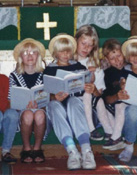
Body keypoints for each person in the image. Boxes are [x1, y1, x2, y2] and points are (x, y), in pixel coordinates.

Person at [44, 33, 96, 171]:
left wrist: (90, 87)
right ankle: (72, 151)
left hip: (76, 106)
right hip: (58, 107)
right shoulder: (49, 70)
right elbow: (44, 94)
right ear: (55, 53)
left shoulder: (78, 66)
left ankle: (86, 150)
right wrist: (54, 97)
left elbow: (88, 86)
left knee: (73, 101)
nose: (65, 54)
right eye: (62, 51)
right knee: (53, 105)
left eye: (68, 51)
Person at [74, 25, 115, 143]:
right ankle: (91, 129)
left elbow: (99, 94)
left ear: (94, 47)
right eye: (83, 43)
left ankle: (111, 132)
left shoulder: (94, 65)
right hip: (73, 103)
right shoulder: (68, 61)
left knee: (97, 100)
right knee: (87, 96)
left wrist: (94, 89)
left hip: (91, 105)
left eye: (90, 45)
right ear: (76, 41)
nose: (86, 48)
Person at [9, 38, 47, 164]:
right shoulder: (14, 75)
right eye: (25, 53)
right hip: (22, 110)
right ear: (20, 57)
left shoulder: (44, 74)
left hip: (41, 109)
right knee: (28, 114)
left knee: (39, 114)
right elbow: (11, 99)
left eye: (33, 52)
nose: (29, 56)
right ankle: (26, 148)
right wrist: (23, 105)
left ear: (38, 56)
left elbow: (48, 97)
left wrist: (40, 104)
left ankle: (37, 148)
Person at [101, 38, 129, 151]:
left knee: (120, 104)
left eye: (119, 56)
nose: (117, 60)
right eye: (112, 58)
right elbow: (107, 98)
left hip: (132, 105)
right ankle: (116, 136)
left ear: (124, 54)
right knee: (101, 106)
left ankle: (116, 137)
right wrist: (117, 96)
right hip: (115, 108)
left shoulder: (131, 68)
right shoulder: (107, 74)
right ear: (107, 60)